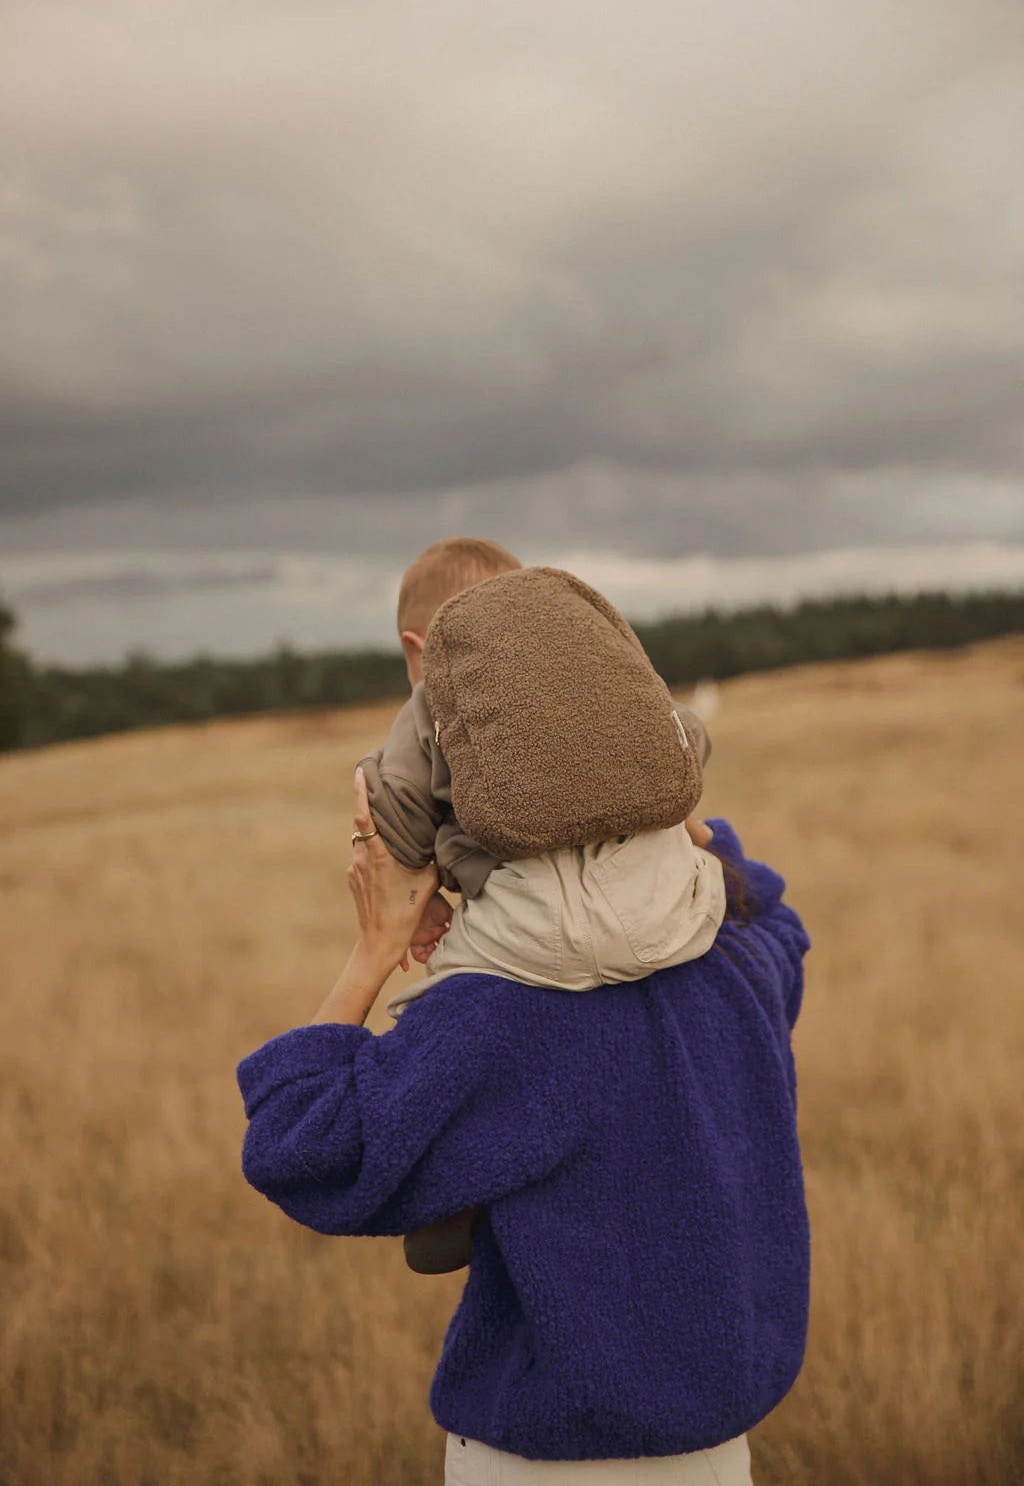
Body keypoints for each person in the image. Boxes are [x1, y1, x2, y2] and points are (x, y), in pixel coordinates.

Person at [236, 769, 811, 1483]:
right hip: (720, 1458)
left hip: (545, 1459)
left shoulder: (498, 1015)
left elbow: (302, 1144)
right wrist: (680, 816)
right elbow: (770, 910)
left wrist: (376, 946)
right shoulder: (736, 956)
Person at [369, 540, 724, 1277]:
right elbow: (684, 737)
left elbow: (397, 805)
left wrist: (426, 890)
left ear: (418, 644)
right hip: (666, 916)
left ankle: (447, 1209)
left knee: (429, 1013)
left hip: (525, 935)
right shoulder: (590, 671)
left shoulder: (431, 692)